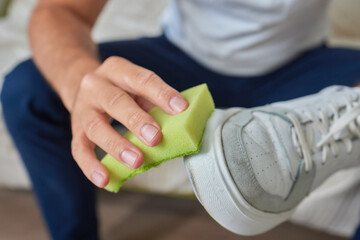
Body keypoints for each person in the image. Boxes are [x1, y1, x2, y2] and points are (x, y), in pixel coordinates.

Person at [1, 0, 360, 239]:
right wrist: (80, 82)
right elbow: (61, 10)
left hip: (301, 67)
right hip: (180, 64)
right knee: (26, 91)